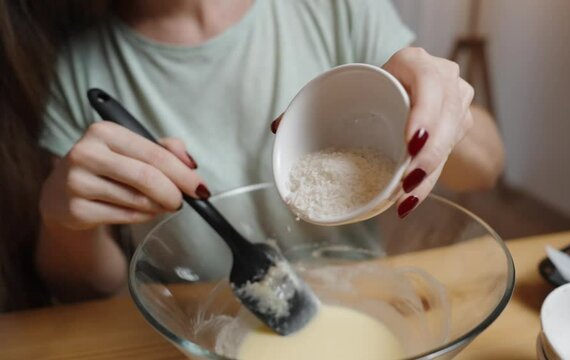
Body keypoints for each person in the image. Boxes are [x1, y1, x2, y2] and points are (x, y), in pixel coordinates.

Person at [4, 0, 504, 307]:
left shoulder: (334, 7)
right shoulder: (79, 67)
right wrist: (64, 222)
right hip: (198, 323)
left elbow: (489, 166)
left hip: (366, 302)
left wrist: (445, 120)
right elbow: (84, 292)